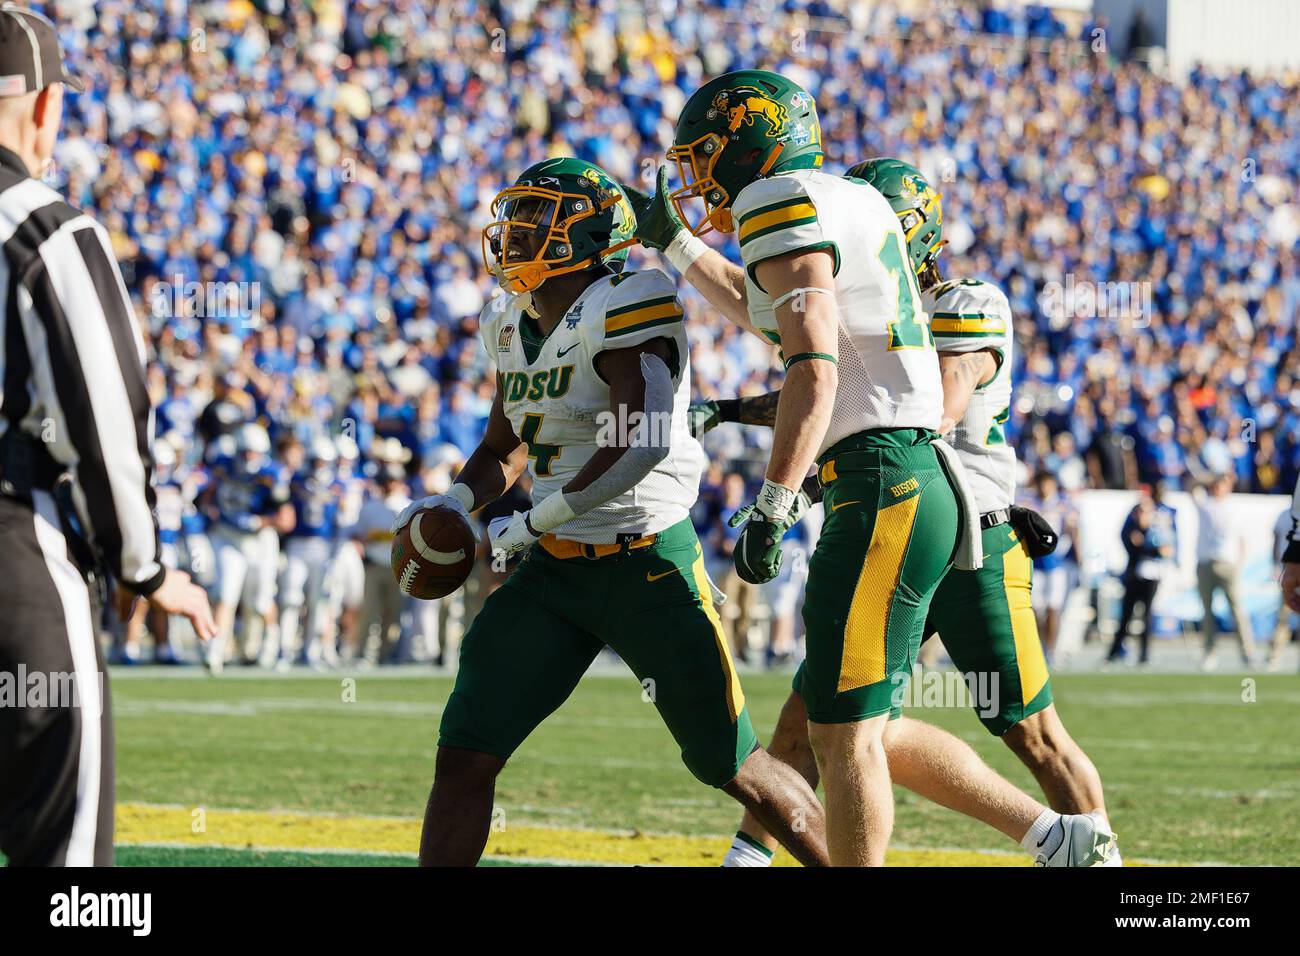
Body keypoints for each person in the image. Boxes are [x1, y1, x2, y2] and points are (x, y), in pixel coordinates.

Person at [667, 152, 1116, 866]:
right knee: (827, 713)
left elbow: (925, 408)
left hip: (967, 535)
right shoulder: (869, 299)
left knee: (1029, 732)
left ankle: (1095, 856)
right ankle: (747, 859)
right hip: (907, 513)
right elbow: (824, 366)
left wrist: (798, 485)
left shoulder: (964, 302)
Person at [393, 157, 829, 867]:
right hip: (553, 576)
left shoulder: (633, 297)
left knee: (733, 762)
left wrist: (531, 520)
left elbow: (642, 441)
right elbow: (502, 449)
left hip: (647, 565)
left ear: (580, 233)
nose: (513, 231)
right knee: (466, 751)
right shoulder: (510, 320)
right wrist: (455, 503)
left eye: (534, 217)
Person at [0, 5, 213, 866]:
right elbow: (103, 416)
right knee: (70, 880)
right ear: (45, 107)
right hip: (17, 555)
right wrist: (144, 565)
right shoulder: (41, 226)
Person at [1193, 473, 1254, 670]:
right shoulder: (1205, 504)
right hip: (1206, 563)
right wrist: (1209, 477)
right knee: (1207, 612)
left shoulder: (1234, 508)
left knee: (1236, 610)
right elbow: (1190, 485)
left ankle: (1247, 653)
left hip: (1227, 564)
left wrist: (1239, 563)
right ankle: (1209, 652)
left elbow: (1243, 538)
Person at [1107, 488, 1171, 666]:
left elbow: (1166, 550)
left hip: (1151, 577)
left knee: (1146, 615)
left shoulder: (1157, 530)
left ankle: (1144, 655)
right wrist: (1148, 548)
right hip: (1134, 575)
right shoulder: (1131, 529)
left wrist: (1148, 547)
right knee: (1126, 615)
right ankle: (1114, 652)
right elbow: (1133, 548)